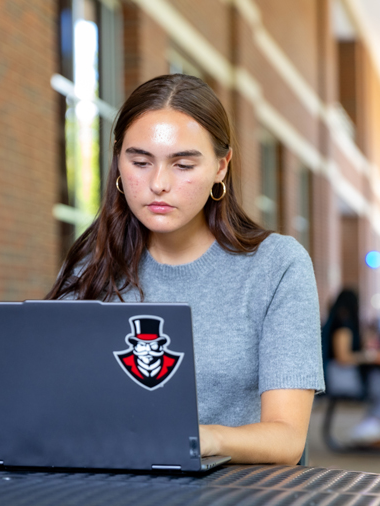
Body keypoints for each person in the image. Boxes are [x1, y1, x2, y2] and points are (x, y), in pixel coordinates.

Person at [46, 74, 324, 465]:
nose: (158, 183)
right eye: (140, 162)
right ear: (119, 162)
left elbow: (286, 439)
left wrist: (198, 438)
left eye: (183, 164)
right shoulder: (92, 265)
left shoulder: (277, 266)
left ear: (220, 167)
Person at [321, 289, 380, 446]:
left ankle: (369, 428)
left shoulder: (336, 322)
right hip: (343, 377)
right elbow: (343, 357)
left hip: (344, 375)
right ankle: (368, 428)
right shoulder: (343, 324)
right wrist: (372, 356)